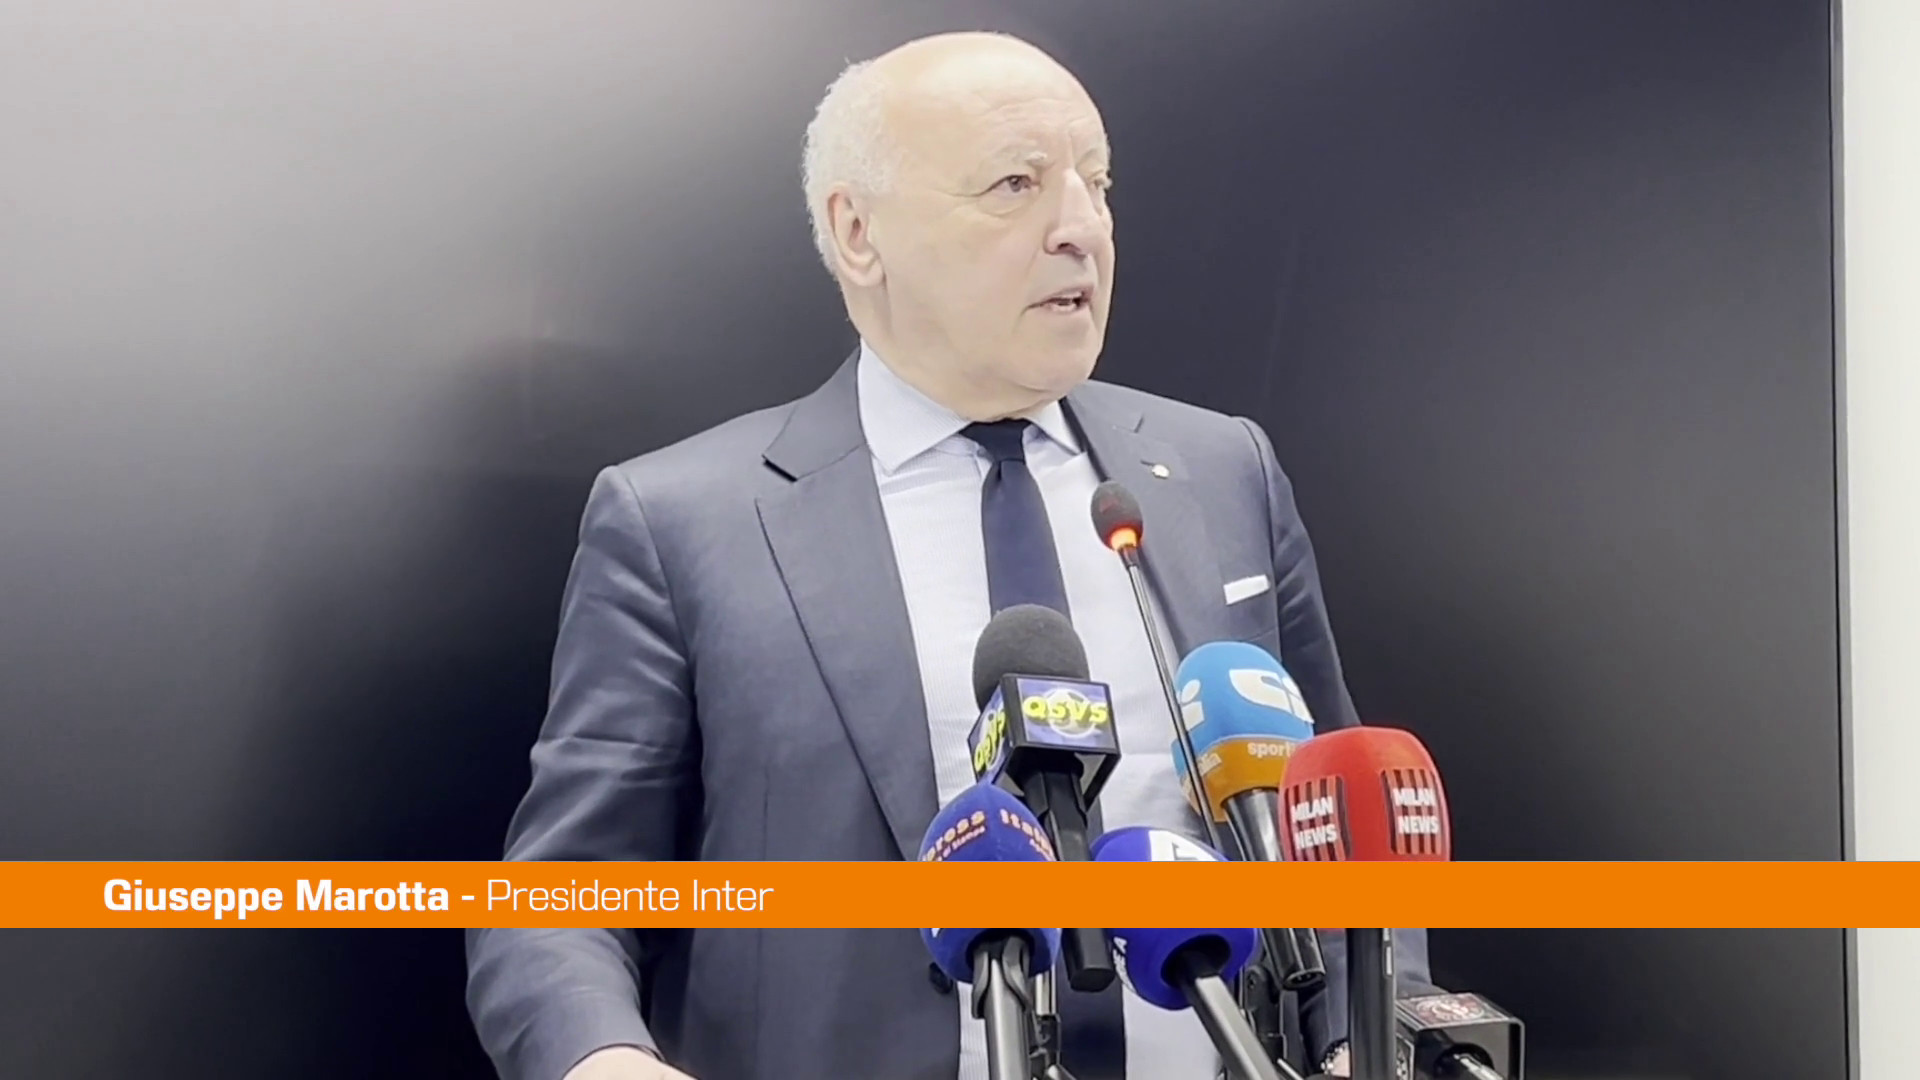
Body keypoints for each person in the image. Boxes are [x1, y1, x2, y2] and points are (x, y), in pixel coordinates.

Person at [466, 30, 1437, 1080]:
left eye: (1098, 184)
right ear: (859, 233)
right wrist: (605, 1061)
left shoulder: (1222, 472)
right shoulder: (682, 521)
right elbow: (559, 896)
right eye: (1016, 184)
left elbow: (1342, 831)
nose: (1081, 228)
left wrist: (1367, 1036)